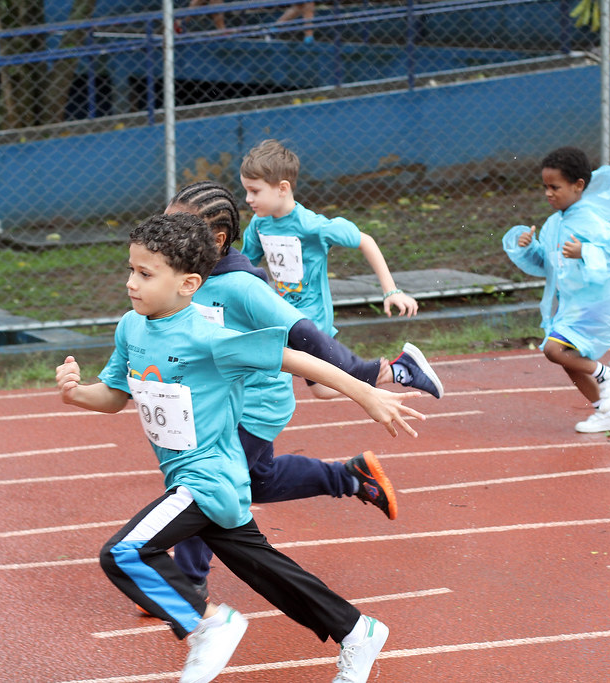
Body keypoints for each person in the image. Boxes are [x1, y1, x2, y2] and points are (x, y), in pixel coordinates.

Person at [56, 212, 424, 683]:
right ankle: (356, 629)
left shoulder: (209, 338)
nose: (132, 282)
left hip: (210, 477)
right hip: (194, 479)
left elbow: (294, 356)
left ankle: (208, 623)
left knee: (124, 553)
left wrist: (367, 392)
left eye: (145, 274)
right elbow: (113, 396)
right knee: (266, 570)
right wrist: (75, 392)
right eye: (130, 269)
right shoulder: (132, 327)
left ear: (189, 283)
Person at [164, 181, 420, 600]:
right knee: (258, 481)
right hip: (221, 404)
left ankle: (185, 583)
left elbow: (304, 333)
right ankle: (352, 477)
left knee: (204, 484)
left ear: (215, 239)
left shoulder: (243, 287)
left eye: (178, 229)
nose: (166, 236)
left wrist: (361, 381)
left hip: (256, 404)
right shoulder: (188, 280)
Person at [239, 139, 444, 400]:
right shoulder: (259, 225)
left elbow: (365, 240)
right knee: (324, 389)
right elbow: (244, 267)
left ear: (282, 188)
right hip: (284, 313)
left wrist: (391, 291)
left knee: (264, 364)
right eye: (246, 190)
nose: (247, 199)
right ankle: (399, 371)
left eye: (254, 191)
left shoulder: (313, 226)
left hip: (309, 321)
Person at [502, 147, 610, 433]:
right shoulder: (554, 224)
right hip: (571, 306)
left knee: (555, 350)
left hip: (594, 305)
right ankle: (608, 413)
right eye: (545, 187)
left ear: (578, 186)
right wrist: (528, 247)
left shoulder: (588, 221)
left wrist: (586, 251)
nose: (548, 193)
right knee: (570, 361)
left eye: (555, 187)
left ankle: (608, 374)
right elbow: (548, 264)